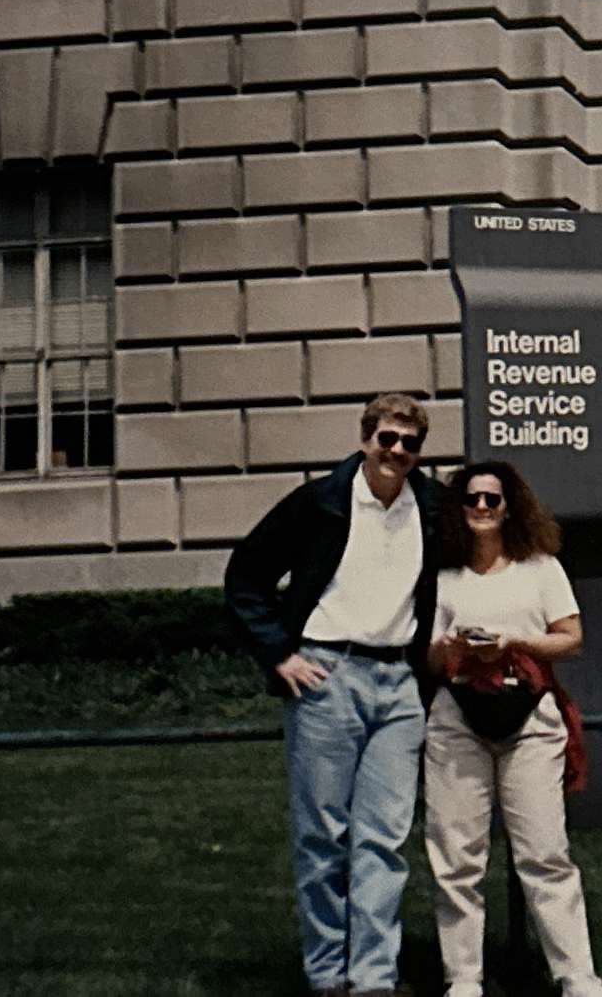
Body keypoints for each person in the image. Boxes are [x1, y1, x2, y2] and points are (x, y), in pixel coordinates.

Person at [223, 393, 439, 997]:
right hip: (327, 675)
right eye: (387, 438)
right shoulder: (320, 502)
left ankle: (373, 978)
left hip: (398, 685)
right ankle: (326, 973)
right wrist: (279, 654)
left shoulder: (431, 506)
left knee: (385, 839)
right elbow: (246, 577)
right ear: (366, 438)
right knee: (324, 837)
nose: (397, 451)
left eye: (409, 443)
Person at [422, 461, 602, 997]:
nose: (482, 509)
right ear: (458, 509)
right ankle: (463, 977)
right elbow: (429, 660)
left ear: (510, 507)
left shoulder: (539, 568)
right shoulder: (443, 575)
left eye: (493, 500)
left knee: (545, 853)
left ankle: (577, 975)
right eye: (472, 500)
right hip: (457, 719)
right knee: (456, 855)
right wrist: (453, 650)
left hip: (529, 717)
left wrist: (513, 642)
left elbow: (570, 639)